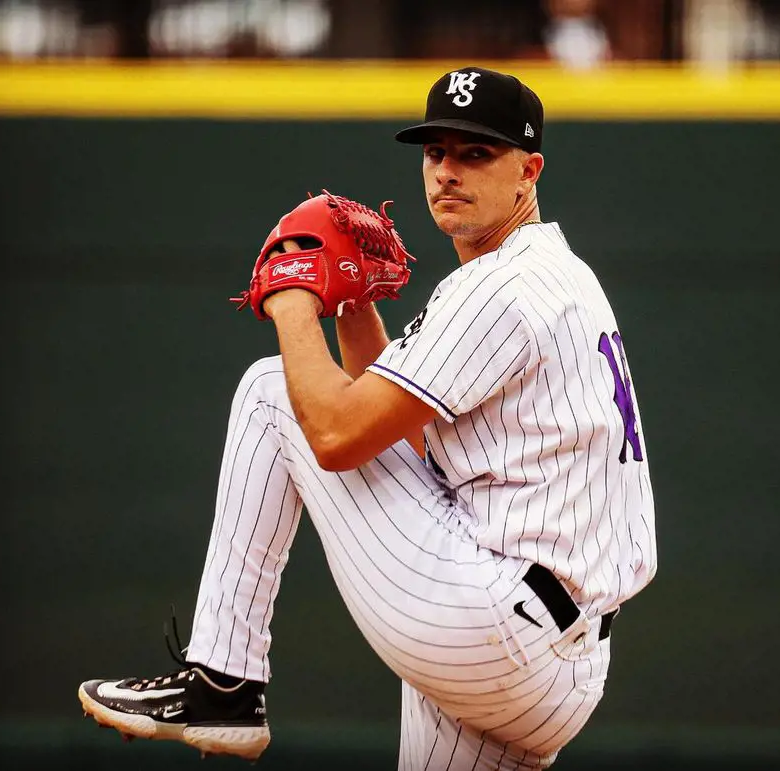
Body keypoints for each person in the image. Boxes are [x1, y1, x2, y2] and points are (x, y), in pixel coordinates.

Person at [77, 65, 658, 770]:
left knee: (271, 391)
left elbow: (335, 433)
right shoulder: (554, 274)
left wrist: (292, 293)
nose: (448, 171)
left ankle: (222, 683)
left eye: (476, 153)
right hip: (552, 657)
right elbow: (402, 429)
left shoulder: (498, 288)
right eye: (435, 152)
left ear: (528, 169)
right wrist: (353, 305)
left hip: (498, 622)